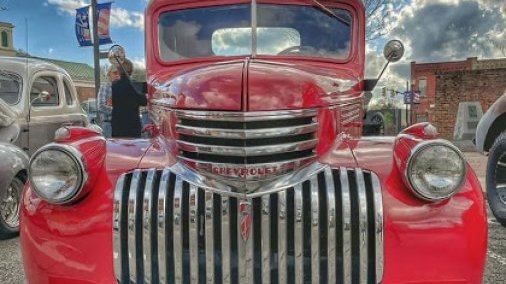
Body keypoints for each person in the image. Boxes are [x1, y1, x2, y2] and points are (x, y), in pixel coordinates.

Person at [111, 59, 148, 138]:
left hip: (117, 126)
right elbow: (144, 102)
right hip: (133, 126)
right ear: (131, 70)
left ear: (119, 71)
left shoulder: (114, 85)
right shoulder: (136, 85)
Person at [97, 65, 120, 138]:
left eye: (119, 74)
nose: (118, 75)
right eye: (115, 73)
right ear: (109, 75)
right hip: (108, 125)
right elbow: (101, 106)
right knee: (110, 148)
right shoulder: (105, 88)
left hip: (122, 125)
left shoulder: (123, 89)